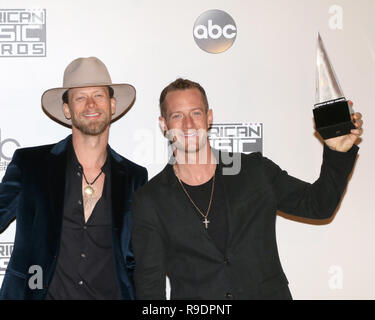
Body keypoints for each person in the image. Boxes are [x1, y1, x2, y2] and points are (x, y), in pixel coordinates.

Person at [131, 78, 363, 300]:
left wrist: (337, 152)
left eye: (196, 113)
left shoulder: (254, 171)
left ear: (209, 117)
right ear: (164, 124)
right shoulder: (150, 200)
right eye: (177, 116)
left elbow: (318, 205)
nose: (188, 124)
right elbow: (149, 288)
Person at [0, 57, 147, 300]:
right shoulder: (31, 165)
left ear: (112, 105)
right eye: (80, 97)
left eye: (98, 95)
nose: (91, 104)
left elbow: (137, 258)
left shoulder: (134, 176)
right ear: (67, 108)